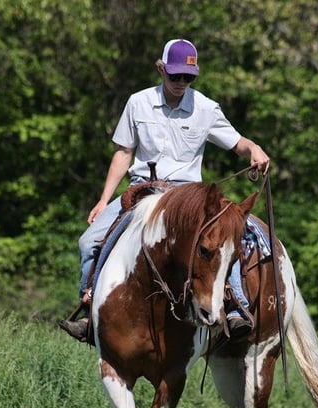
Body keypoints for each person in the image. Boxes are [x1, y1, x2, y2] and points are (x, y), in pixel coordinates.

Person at [59, 38, 270, 342]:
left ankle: (235, 305)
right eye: (175, 76)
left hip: (186, 198)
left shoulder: (206, 108)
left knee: (226, 236)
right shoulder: (138, 102)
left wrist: (254, 148)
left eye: (188, 77)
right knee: (88, 241)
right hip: (142, 191)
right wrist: (104, 199)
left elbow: (237, 143)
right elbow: (123, 153)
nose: (181, 82)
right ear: (161, 69)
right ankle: (90, 308)